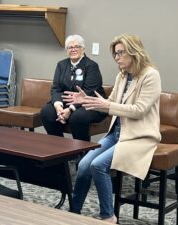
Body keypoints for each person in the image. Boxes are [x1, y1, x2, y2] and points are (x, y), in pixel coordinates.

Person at [63, 34, 161, 223]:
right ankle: (73, 211)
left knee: (98, 165)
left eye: (120, 53)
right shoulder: (122, 75)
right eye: (115, 54)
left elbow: (139, 111)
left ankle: (108, 216)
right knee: (83, 165)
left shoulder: (151, 75)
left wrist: (106, 105)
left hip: (138, 136)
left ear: (134, 52)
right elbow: (111, 103)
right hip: (117, 133)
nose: (117, 58)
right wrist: (87, 101)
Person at [40, 34, 107, 141]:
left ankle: (81, 153)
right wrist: (59, 108)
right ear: (67, 50)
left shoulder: (91, 66)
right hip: (65, 103)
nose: (73, 49)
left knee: (77, 117)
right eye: (70, 47)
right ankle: (58, 148)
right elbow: (56, 88)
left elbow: (89, 92)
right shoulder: (61, 65)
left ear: (83, 49)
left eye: (77, 46)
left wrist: (71, 109)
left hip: (89, 104)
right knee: (46, 112)